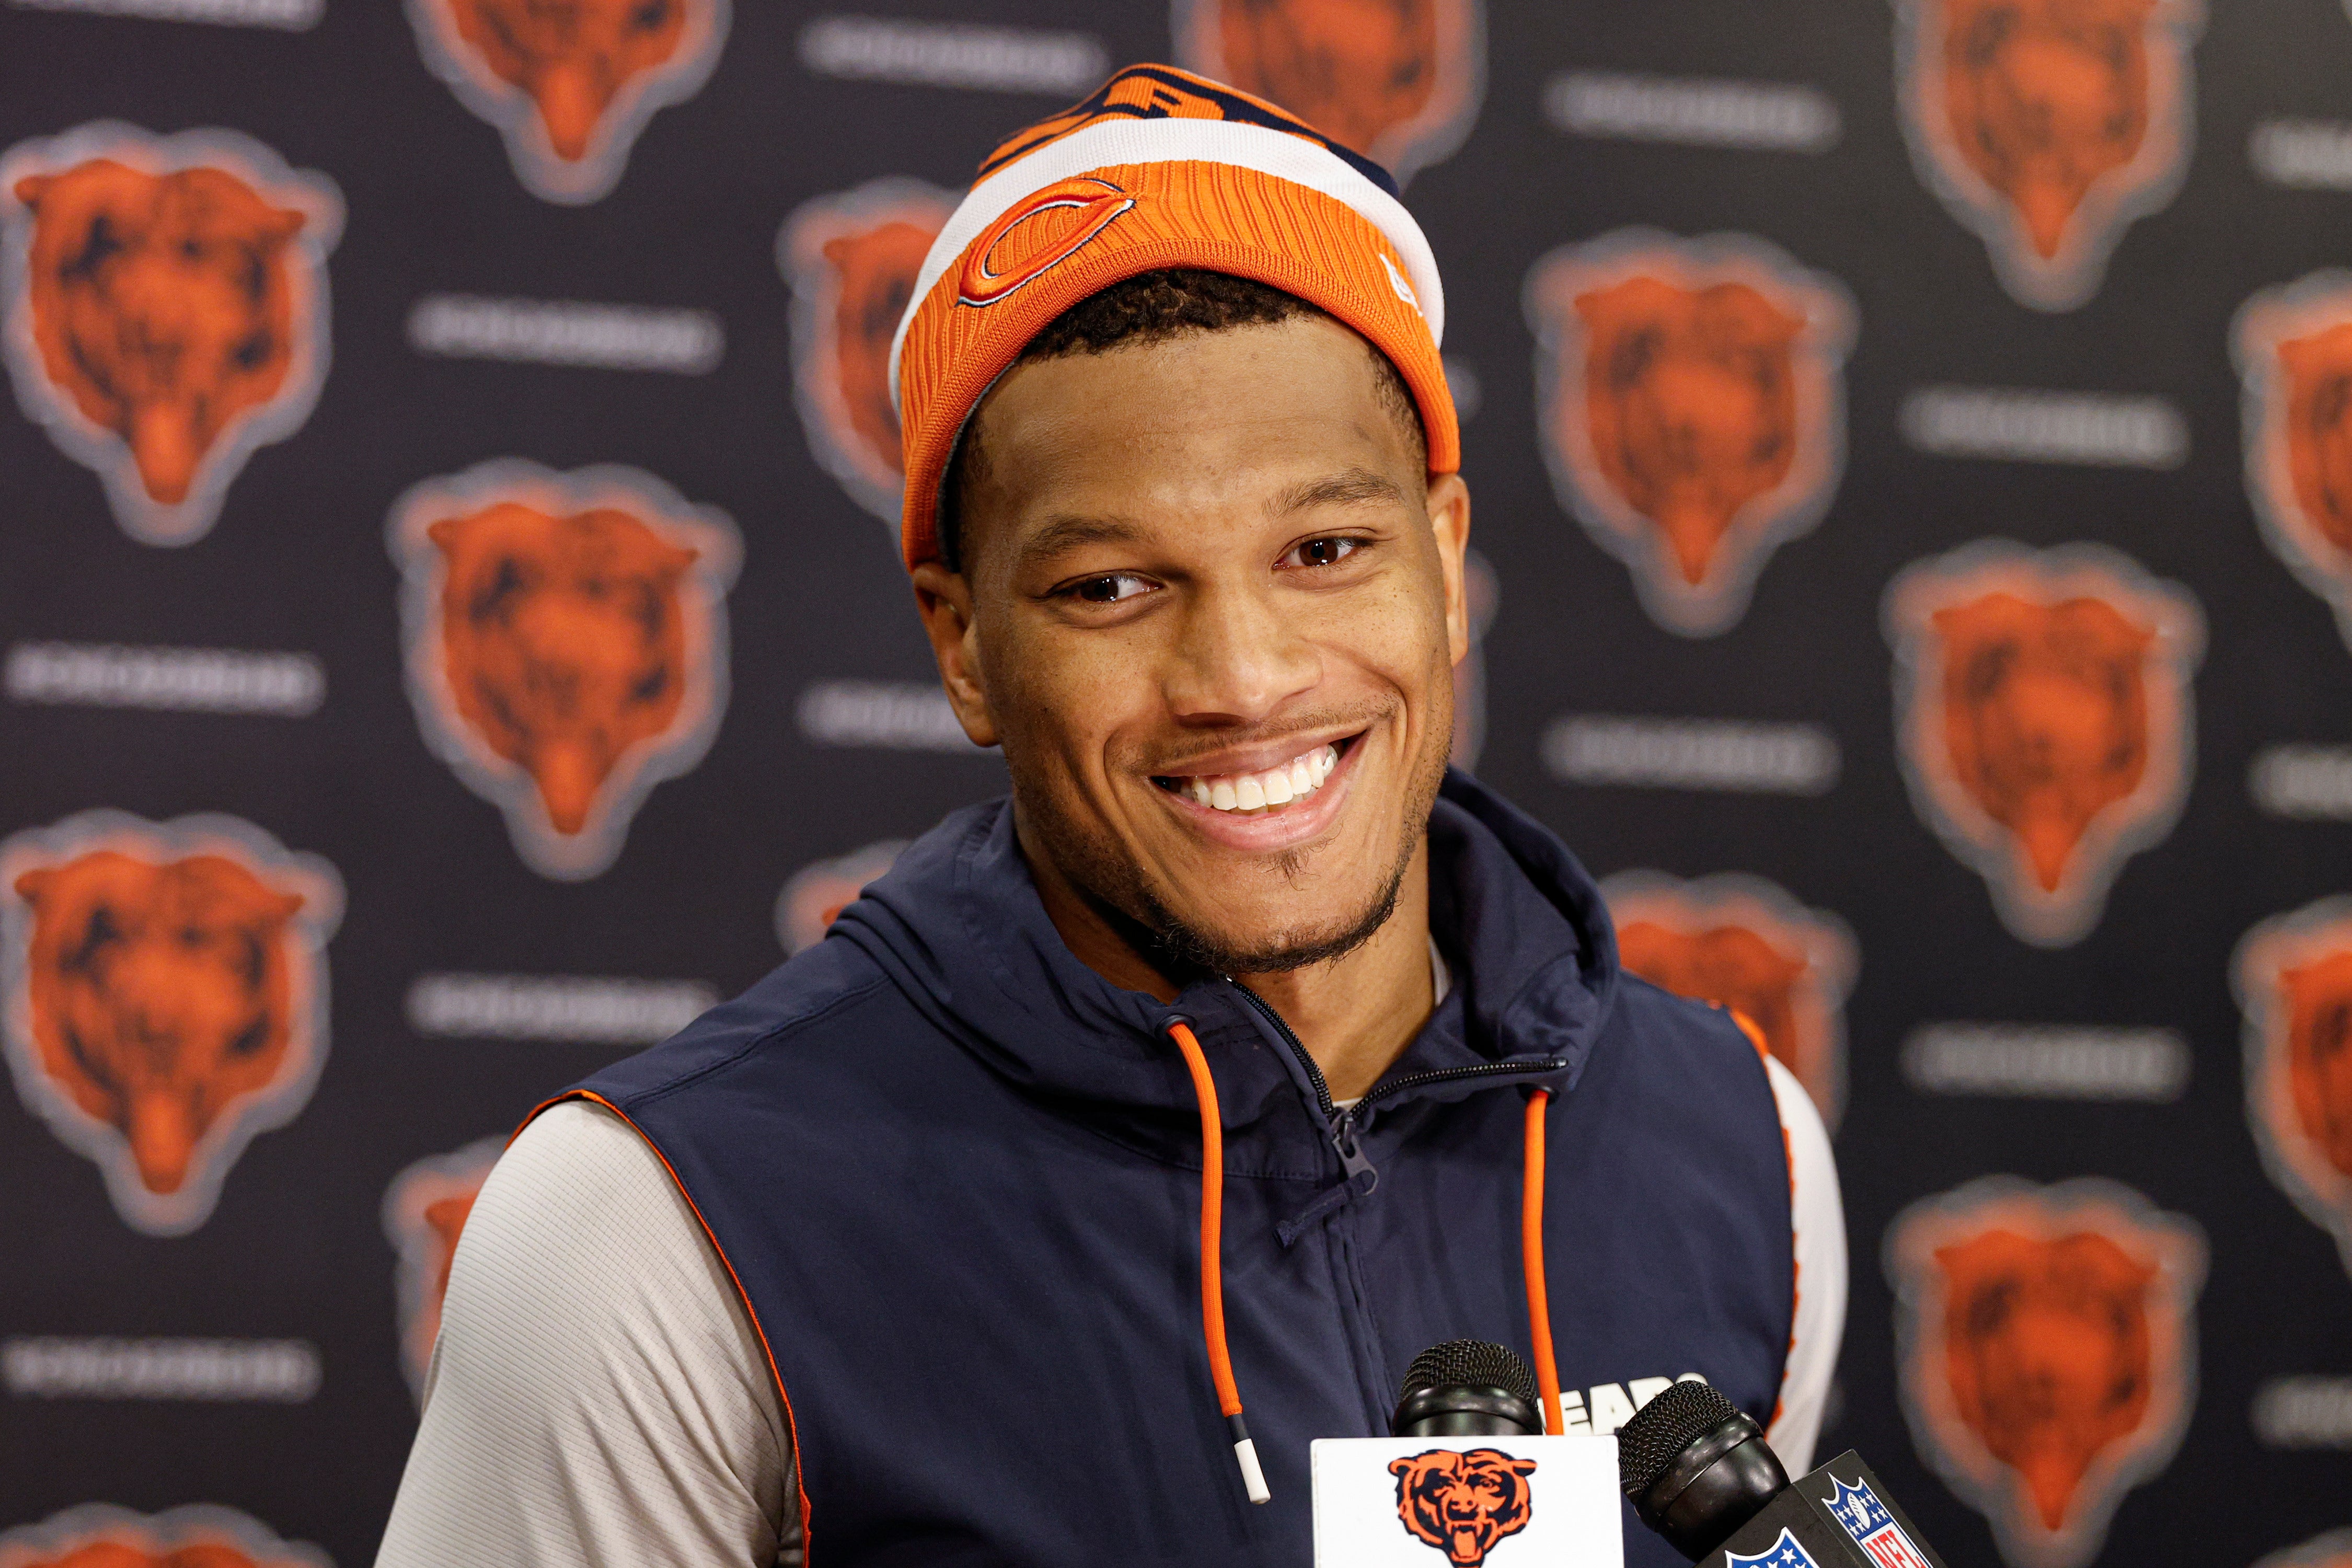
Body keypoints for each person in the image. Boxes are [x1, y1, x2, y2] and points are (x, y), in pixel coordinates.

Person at [376, 64, 1844, 1568]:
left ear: (1446, 558)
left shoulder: (1740, 1142)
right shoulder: (653, 1226)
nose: (1243, 679)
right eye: (1111, 587)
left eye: (1325, 549)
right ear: (963, 646)